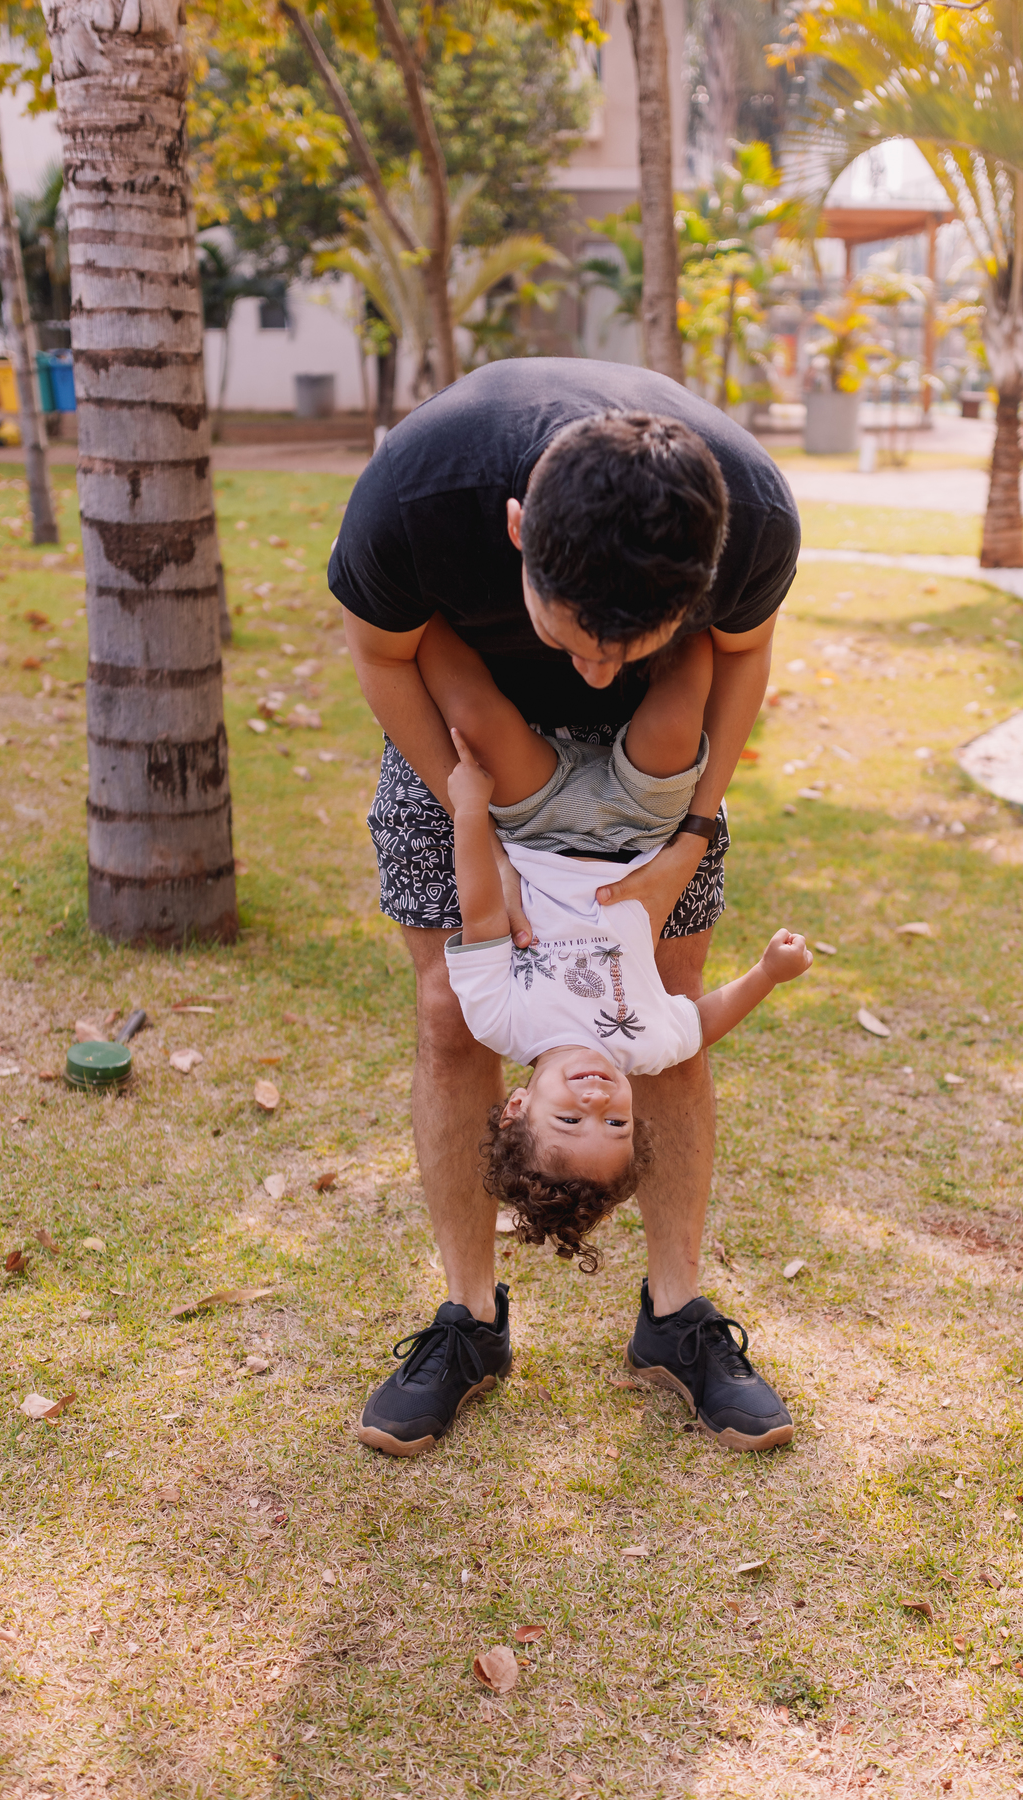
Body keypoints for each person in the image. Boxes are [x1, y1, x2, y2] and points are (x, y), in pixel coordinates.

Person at [329, 362, 800, 1459]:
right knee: (452, 1012)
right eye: (579, 630)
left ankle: (677, 1322)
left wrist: (691, 836)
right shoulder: (417, 498)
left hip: (658, 791)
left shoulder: (754, 513)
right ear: (514, 533)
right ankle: (471, 1322)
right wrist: (483, 825)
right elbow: (381, 653)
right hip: (469, 760)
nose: (596, 668)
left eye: (627, 642)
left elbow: (742, 656)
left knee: (671, 1016)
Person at [413, 611, 812, 1266]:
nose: (597, 1101)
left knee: (478, 721)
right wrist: (766, 974)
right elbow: (702, 1022)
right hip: (641, 829)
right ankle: (694, 611)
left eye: (570, 1120)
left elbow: (483, 915)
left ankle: (416, 619)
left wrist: (469, 811)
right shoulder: (646, 1044)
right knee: (680, 720)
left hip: (536, 817)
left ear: (516, 1107)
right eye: (617, 1123)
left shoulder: (501, 1022)